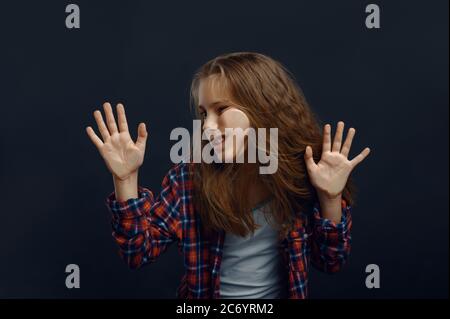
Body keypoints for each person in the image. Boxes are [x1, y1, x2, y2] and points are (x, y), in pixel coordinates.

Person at [86, 52, 371, 299]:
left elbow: (330, 261)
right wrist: (125, 180)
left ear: (263, 108)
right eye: (203, 114)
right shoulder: (189, 180)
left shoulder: (305, 177)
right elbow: (138, 253)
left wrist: (329, 198)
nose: (208, 127)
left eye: (221, 109)